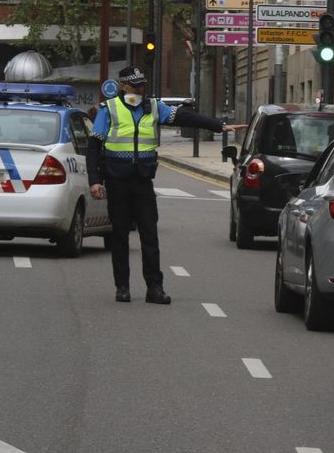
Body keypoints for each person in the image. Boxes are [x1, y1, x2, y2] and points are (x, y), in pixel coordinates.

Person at [86, 66, 246, 304]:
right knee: (119, 235)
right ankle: (122, 287)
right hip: (117, 179)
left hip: (142, 181)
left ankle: (155, 288)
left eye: (142, 85)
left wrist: (218, 125)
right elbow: (93, 147)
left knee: (149, 234)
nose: (140, 90)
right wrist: (94, 181)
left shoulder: (152, 106)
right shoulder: (108, 109)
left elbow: (185, 116)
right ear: (123, 86)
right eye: (135, 86)